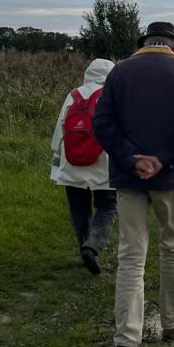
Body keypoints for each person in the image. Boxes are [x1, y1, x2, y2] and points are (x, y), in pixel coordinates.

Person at [93, 22, 174, 347]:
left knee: (131, 255)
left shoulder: (119, 71)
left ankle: (126, 339)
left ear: (144, 41)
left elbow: (103, 123)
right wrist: (162, 158)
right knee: (173, 247)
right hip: (173, 177)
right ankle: (173, 324)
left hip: (129, 178)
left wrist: (133, 159)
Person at [50, 58, 116, 275]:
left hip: (73, 161)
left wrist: (57, 155)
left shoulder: (74, 95)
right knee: (107, 206)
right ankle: (93, 245)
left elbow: (61, 127)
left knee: (79, 210)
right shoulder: (112, 95)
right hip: (103, 162)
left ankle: (83, 249)